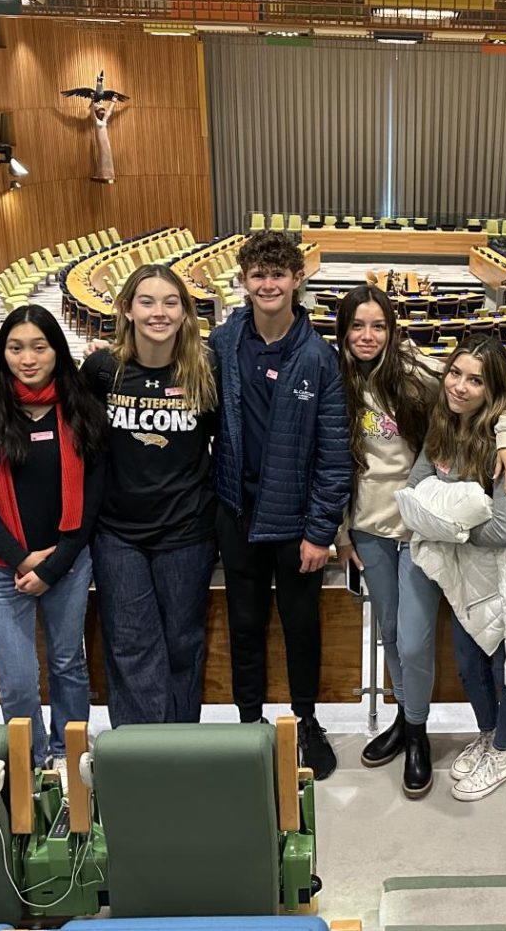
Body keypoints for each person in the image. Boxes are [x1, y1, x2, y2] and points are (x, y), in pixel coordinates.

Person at [334, 285, 506, 798]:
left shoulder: (419, 373)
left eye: (378, 325)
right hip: (368, 528)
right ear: (343, 330)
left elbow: (492, 389)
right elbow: (326, 461)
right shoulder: (334, 378)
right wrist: (339, 531)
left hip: (422, 534)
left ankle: (417, 731)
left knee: (416, 639)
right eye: (357, 325)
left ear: (393, 329)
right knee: (393, 632)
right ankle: (407, 720)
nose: (367, 336)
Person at [209, 230, 352, 779]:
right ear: (244, 281)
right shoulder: (221, 345)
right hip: (237, 514)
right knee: (244, 624)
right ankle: (249, 724)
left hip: (296, 526)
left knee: (300, 627)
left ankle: (306, 720)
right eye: (257, 274)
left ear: (297, 279)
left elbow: (334, 453)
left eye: (278, 274)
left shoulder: (319, 357)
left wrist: (320, 531)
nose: (268, 284)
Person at [0, 304, 106, 769]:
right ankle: (31, 759)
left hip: (68, 561)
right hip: (5, 568)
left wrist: (55, 562)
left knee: (68, 664)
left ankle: (69, 754)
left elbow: (94, 497)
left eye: (39, 347)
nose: (28, 358)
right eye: (16, 348)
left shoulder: (84, 407)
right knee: (18, 678)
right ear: (2, 354)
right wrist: (24, 561)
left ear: (57, 351)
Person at [402, 336, 506, 802]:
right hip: (465, 577)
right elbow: (414, 488)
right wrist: (455, 514)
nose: (460, 387)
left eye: (475, 380)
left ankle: (504, 751)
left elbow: (504, 529)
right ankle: (488, 735)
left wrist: (445, 524)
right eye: (455, 373)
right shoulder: (443, 425)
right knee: (469, 663)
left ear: (493, 389)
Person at [81, 264, 220, 726]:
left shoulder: (207, 368)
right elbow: (78, 438)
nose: (158, 312)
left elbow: (223, 443)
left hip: (187, 532)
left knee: (183, 642)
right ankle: (139, 755)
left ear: (185, 312)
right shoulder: (102, 369)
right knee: (128, 643)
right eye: (147, 301)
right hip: (118, 533)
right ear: (126, 308)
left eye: (170, 302)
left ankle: (178, 749)